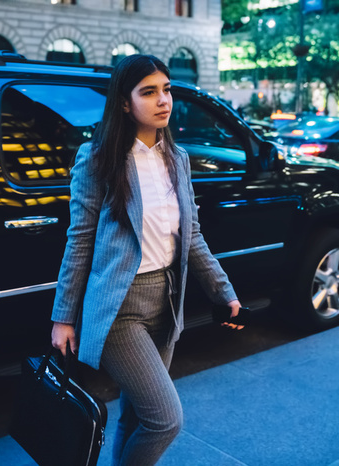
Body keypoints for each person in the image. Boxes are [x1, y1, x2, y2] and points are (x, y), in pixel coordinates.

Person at [50, 54, 242, 466]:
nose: (163, 101)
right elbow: (79, 240)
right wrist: (63, 317)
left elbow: (192, 238)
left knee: (135, 414)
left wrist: (223, 291)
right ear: (124, 102)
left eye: (167, 90)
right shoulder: (98, 158)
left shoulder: (177, 159)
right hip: (120, 308)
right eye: (149, 92)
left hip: (166, 303)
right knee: (165, 420)